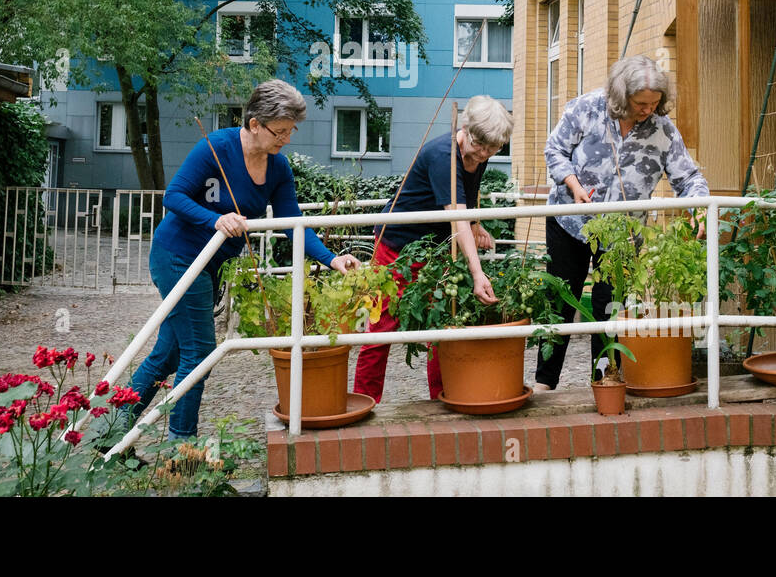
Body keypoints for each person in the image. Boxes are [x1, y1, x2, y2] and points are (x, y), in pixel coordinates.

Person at [125, 80, 360, 438]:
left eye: (290, 131)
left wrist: (331, 260)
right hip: (177, 256)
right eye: (280, 131)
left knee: (171, 352)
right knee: (200, 351)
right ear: (254, 124)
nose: (287, 139)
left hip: (212, 265)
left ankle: (111, 427)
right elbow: (172, 196)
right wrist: (216, 219)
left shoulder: (278, 169)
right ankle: (181, 446)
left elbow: (292, 224)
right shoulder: (215, 148)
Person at [534, 55, 709, 393]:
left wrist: (699, 207)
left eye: (655, 103)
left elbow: (689, 177)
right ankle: (545, 383)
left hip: (622, 235)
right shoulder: (586, 108)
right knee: (559, 299)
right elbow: (554, 150)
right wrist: (572, 183)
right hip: (569, 222)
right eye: (641, 103)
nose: (648, 110)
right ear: (621, 96)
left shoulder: (663, 130)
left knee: (609, 308)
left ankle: (604, 381)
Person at [353, 95, 512, 403]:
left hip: (433, 249)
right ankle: (365, 402)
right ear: (465, 129)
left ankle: (442, 398)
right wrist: (477, 273)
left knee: (441, 323)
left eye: (492, 149)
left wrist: (477, 223)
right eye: (480, 146)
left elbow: (469, 195)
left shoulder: (479, 151)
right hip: (395, 245)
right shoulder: (443, 156)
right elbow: (457, 220)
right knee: (381, 328)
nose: (484, 155)